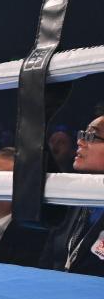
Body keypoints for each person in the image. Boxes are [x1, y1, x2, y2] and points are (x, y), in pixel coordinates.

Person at [40, 110, 104, 276]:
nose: (80, 141)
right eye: (83, 134)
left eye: (91, 136)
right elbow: (47, 260)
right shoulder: (72, 197)